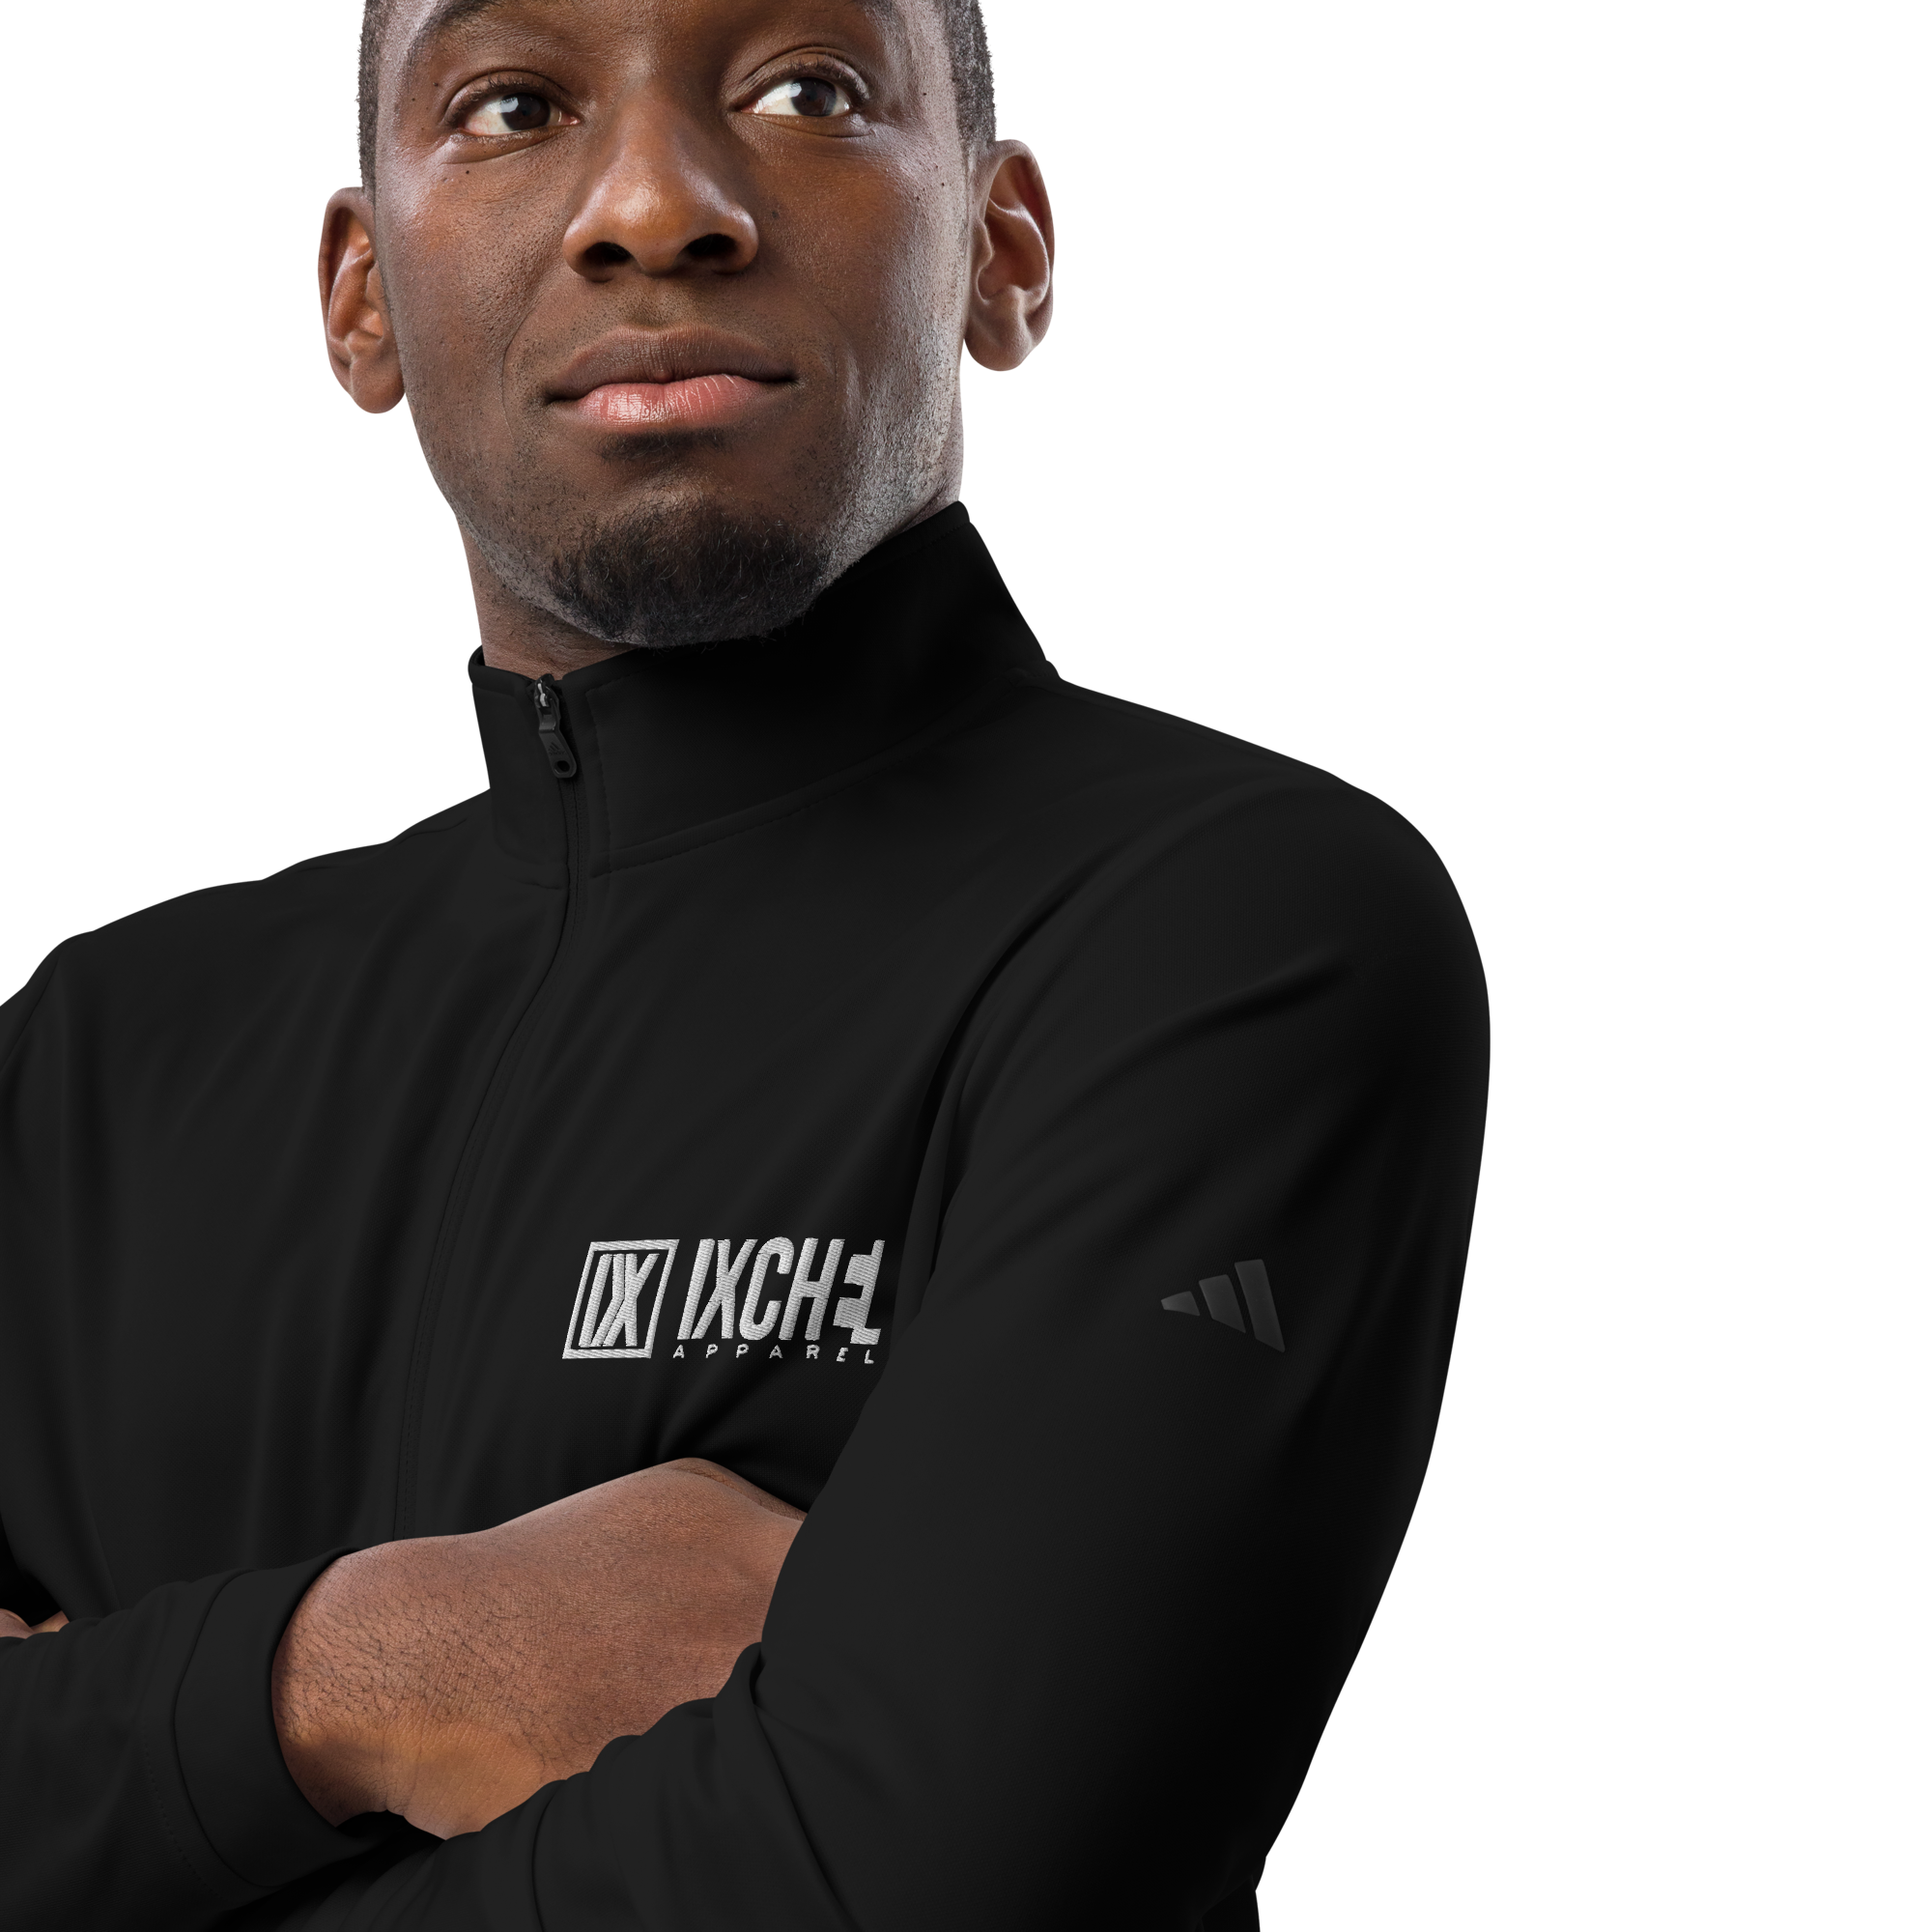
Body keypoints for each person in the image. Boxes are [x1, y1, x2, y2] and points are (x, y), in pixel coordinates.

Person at [0, 0, 1490, 1925]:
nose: (652, 205)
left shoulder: (1225, 927)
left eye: (809, 90)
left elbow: (923, 1886)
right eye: (512, 104)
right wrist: (348, 1674)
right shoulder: (89, 1054)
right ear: (361, 299)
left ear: (1003, 253)